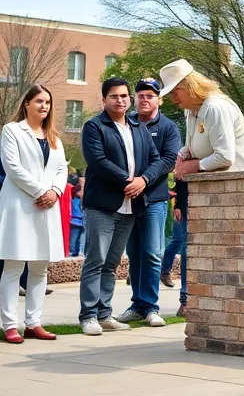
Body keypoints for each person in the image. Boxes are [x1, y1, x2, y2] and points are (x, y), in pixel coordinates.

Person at [78, 77, 164, 336]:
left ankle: (105, 314)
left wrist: (143, 180)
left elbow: (156, 159)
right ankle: (89, 315)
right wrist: (130, 181)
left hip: (130, 206)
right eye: (114, 96)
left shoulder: (137, 127)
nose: (120, 100)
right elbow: (98, 161)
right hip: (103, 205)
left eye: (124, 96)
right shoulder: (94, 126)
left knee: (112, 262)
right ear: (104, 100)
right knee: (96, 260)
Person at [0, 83, 68, 343]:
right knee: (14, 267)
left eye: (47, 102)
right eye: (39, 101)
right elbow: (13, 167)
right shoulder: (11, 131)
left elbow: (61, 170)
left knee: (40, 269)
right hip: (21, 207)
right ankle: (10, 325)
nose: (44, 106)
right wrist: (40, 192)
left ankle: (34, 322)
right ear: (26, 104)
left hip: (47, 208)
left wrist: (54, 191)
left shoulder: (54, 137)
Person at [118, 77, 180, 327]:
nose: (145, 99)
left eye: (150, 95)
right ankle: (138, 305)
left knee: (153, 253)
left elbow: (168, 160)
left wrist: (144, 179)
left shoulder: (168, 127)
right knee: (134, 254)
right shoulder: (125, 123)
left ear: (159, 99)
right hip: (127, 199)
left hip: (153, 199)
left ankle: (152, 307)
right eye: (141, 95)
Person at [161, 61, 244, 179]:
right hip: (218, 186)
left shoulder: (216, 107)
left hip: (242, 185)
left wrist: (193, 165)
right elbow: (192, 147)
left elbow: (225, 157)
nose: (173, 99)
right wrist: (182, 155)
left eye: (175, 92)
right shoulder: (190, 110)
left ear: (189, 86)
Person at [160, 178, 188, 317]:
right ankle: (185, 300)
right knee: (181, 244)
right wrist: (178, 205)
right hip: (183, 203)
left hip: (187, 201)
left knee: (179, 242)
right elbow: (181, 180)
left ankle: (164, 270)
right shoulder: (183, 158)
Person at [69, 175, 85, 256]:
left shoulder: (85, 195)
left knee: (82, 241)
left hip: (83, 221)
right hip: (75, 221)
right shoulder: (73, 194)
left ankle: (80, 254)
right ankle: (73, 254)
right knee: (73, 241)